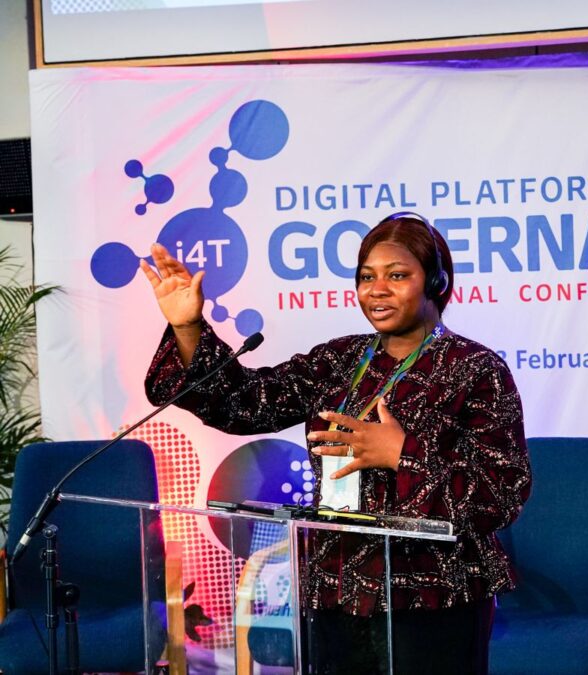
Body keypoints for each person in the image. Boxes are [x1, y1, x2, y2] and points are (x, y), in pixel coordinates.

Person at [140, 212, 531, 673]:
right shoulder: (339, 360)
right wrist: (188, 327)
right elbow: (244, 404)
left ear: (436, 282)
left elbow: (503, 492)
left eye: (397, 276)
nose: (377, 290)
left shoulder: (476, 370)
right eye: (366, 277)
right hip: (335, 587)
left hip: (433, 597)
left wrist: (402, 454)